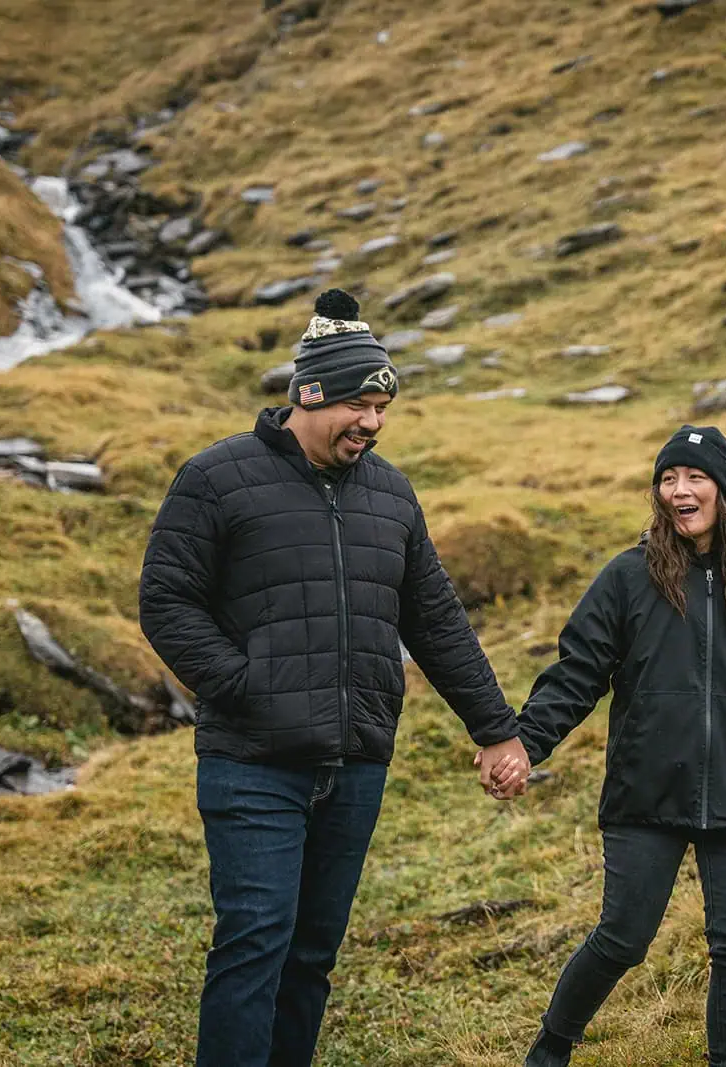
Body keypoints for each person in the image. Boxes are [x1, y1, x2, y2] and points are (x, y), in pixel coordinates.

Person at [138, 288, 530, 1067]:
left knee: (311, 954)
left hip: (354, 763)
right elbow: (165, 600)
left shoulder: (391, 493)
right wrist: (244, 684)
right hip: (252, 762)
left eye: (382, 406)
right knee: (254, 944)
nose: (372, 422)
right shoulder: (217, 478)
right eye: (359, 402)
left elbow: (435, 619)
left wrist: (495, 728)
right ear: (309, 395)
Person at [490, 424, 726, 1067]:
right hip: (647, 787)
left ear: (723, 491)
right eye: (667, 478)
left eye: (694, 477)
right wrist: (525, 743)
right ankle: (551, 1048)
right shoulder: (629, 578)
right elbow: (576, 673)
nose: (679, 490)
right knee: (624, 937)